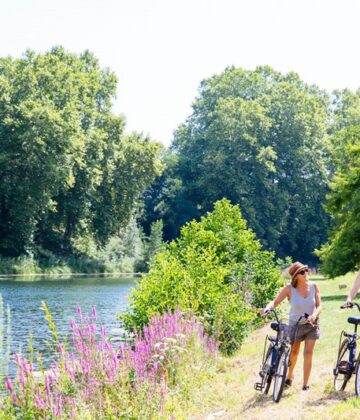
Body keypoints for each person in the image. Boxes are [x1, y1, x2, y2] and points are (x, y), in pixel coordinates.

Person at [261, 261, 322, 391]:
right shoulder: (289, 289)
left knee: (308, 353)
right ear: (296, 276)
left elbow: (319, 306)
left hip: (312, 324)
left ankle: (305, 384)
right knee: (294, 352)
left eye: (306, 270)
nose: (305, 273)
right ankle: (289, 375)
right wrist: (267, 308)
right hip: (295, 325)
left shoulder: (313, 286)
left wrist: (315, 315)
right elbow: (275, 302)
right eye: (302, 272)